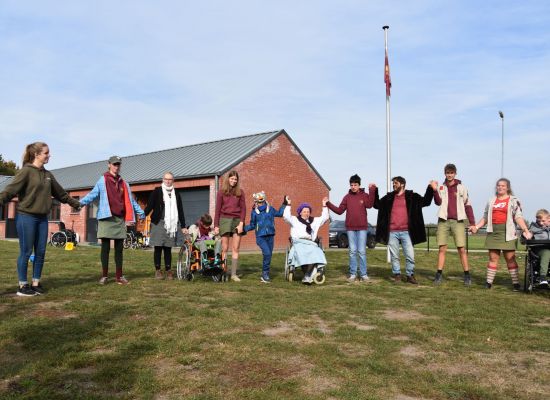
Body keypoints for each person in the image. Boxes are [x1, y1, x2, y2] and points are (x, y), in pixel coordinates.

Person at [0, 142, 81, 296]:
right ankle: (22, 285)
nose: (49, 155)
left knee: (41, 251)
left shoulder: (48, 175)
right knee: (26, 251)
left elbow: (61, 194)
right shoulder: (25, 172)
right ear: (36, 154)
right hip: (26, 217)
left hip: (43, 219)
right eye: (46, 153)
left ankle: (36, 283)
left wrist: (75, 203)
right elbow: (9, 192)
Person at [80, 155, 145, 285]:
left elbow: (131, 201)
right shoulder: (102, 180)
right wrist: (78, 203)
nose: (116, 166)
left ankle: (119, 276)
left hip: (119, 219)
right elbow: (92, 195)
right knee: (105, 248)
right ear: (109, 164)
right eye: (114, 164)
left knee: (119, 249)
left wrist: (141, 212)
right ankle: (104, 276)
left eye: (118, 164)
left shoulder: (124, 183)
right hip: (106, 218)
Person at [471, 178, 532, 290]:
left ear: (508, 187)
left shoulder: (514, 200)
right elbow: (485, 217)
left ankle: (516, 284)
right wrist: (476, 227)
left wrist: (525, 230)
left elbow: (518, 216)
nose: (500, 187)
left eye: (503, 186)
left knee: (510, 258)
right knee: (493, 258)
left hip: (508, 233)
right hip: (493, 233)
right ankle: (488, 283)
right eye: (498, 185)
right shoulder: (491, 200)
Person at [374, 176, 434, 284]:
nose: (394, 185)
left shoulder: (412, 197)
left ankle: (410, 275)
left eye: (396, 183)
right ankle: (397, 275)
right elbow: (376, 205)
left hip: (407, 232)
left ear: (402, 184)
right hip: (392, 232)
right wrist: (374, 190)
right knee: (394, 256)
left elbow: (426, 202)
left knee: (410, 255)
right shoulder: (389, 198)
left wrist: (430, 188)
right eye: (393, 183)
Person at [432, 164, 476, 286]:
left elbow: (468, 206)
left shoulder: (462, 188)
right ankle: (439, 274)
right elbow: (438, 202)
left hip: (458, 221)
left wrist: (472, 223)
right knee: (442, 248)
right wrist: (435, 190)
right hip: (443, 220)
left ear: (455, 173)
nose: (449, 175)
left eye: (451, 172)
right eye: (447, 172)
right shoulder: (441, 187)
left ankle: (467, 275)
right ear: (444, 173)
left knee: (461, 249)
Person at [326, 174, 376, 283]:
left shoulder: (364, 195)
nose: (353, 187)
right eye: (351, 185)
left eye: (355, 185)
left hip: (362, 228)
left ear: (359, 185)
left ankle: (364, 275)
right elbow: (339, 211)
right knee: (352, 251)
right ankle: (353, 274)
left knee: (362, 251)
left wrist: (372, 190)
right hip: (350, 228)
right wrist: (327, 203)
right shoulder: (347, 197)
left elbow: (370, 204)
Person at [144, 172, 188, 280]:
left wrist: (183, 226)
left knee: (168, 248)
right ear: (163, 179)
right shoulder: (157, 191)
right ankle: (158, 271)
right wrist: (141, 215)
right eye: (166, 179)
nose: (168, 181)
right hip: (158, 222)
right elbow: (149, 206)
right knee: (158, 247)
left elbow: (180, 210)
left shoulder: (176, 193)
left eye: (170, 179)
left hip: (171, 225)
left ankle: (169, 270)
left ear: (173, 181)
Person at [283, 196, 329, 284]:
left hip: (311, 243)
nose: (306, 213)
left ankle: (307, 275)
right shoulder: (295, 220)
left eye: (308, 211)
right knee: (303, 252)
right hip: (299, 242)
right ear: (300, 212)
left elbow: (325, 218)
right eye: (304, 211)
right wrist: (288, 204)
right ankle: (308, 275)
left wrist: (324, 206)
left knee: (316, 252)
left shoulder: (314, 221)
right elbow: (286, 216)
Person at [244, 191, 286, 283]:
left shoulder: (270, 209)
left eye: (262, 201)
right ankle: (265, 274)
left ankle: (265, 273)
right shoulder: (254, 213)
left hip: (270, 235)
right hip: (260, 237)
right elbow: (252, 225)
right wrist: (244, 229)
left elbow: (280, 214)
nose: (261, 204)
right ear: (255, 202)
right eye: (259, 202)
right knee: (267, 253)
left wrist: (284, 204)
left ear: (265, 200)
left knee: (269, 255)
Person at [214, 170, 246, 282]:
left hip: (237, 221)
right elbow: (217, 209)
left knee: (236, 248)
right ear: (228, 179)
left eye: (235, 179)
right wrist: (216, 225)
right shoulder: (221, 192)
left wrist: (241, 223)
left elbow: (243, 209)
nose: (233, 181)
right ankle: (223, 272)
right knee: (224, 248)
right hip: (224, 220)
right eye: (232, 178)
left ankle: (233, 274)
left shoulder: (240, 192)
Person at [527, 209, 550, 288]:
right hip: (538, 250)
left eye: (543, 221)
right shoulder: (533, 228)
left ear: (548, 219)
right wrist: (526, 235)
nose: (540, 223)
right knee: (546, 252)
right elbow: (524, 238)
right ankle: (542, 278)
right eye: (538, 221)